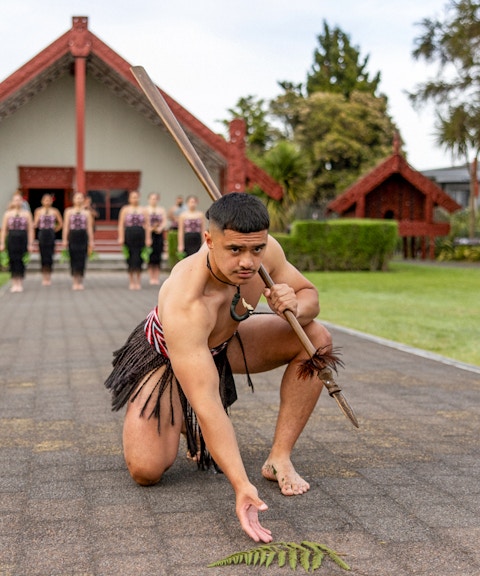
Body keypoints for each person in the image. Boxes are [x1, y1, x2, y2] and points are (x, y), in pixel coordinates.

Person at [105, 192, 338, 543]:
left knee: (316, 338)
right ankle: (178, 420)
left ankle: (279, 458)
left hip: (224, 344)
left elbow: (310, 296)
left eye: (255, 249)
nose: (248, 262)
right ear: (209, 240)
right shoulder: (188, 299)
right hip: (166, 358)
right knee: (146, 470)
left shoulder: (264, 250)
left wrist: (295, 305)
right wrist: (241, 485)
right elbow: (208, 403)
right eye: (235, 251)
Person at [0, 191, 34, 292]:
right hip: (11, 238)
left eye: (19, 200)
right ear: (12, 202)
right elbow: (4, 230)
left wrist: (30, 243)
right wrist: (2, 243)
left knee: (20, 260)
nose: (17, 202)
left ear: (22, 201)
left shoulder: (26, 214)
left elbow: (30, 229)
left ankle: (20, 282)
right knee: (13, 260)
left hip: (22, 238)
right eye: (15, 200)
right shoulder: (8, 214)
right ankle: (14, 282)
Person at [117, 190, 151, 290]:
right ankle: (131, 280)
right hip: (129, 235)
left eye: (136, 197)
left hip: (140, 235)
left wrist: (148, 238)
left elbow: (148, 225)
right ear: (129, 199)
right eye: (133, 197)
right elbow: (120, 225)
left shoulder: (143, 210)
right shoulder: (125, 209)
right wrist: (121, 237)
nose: (134, 199)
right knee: (130, 258)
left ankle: (138, 280)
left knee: (139, 258)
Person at [62, 192, 94, 291]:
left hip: (83, 236)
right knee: (73, 258)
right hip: (73, 236)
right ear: (73, 200)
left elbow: (89, 228)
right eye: (77, 198)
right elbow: (66, 227)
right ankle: (74, 281)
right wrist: (64, 239)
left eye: (80, 198)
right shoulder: (68, 211)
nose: (78, 200)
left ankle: (80, 281)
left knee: (82, 259)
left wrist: (91, 241)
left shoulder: (87, 213)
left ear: (83, 200)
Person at [33, 193, 63, 286]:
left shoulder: (55, 211)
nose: (47, 202)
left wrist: (55, 229)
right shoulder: (38, 211)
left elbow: (61, 223)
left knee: (50, 255)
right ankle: (43, 276)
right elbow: (35, 224)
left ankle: (49, 276)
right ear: (42, 201)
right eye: (45, 200)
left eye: (49, 200)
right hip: (42, 233)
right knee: (43, 255)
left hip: (50, 233)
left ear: (51, 201)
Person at [146, 192, 167, 285]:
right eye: (152, 199)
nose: (153, 200)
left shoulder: (161, 210)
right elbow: (144, 223)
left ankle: (156, 277)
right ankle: (151, 276)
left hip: (158, 235)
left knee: (158, 256)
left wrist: (159, 228)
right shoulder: (145, 210)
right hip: (149, 235)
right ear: (148, 200)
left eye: (155, 199)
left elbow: (164, 221)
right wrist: (150, 229)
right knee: (150, 257)